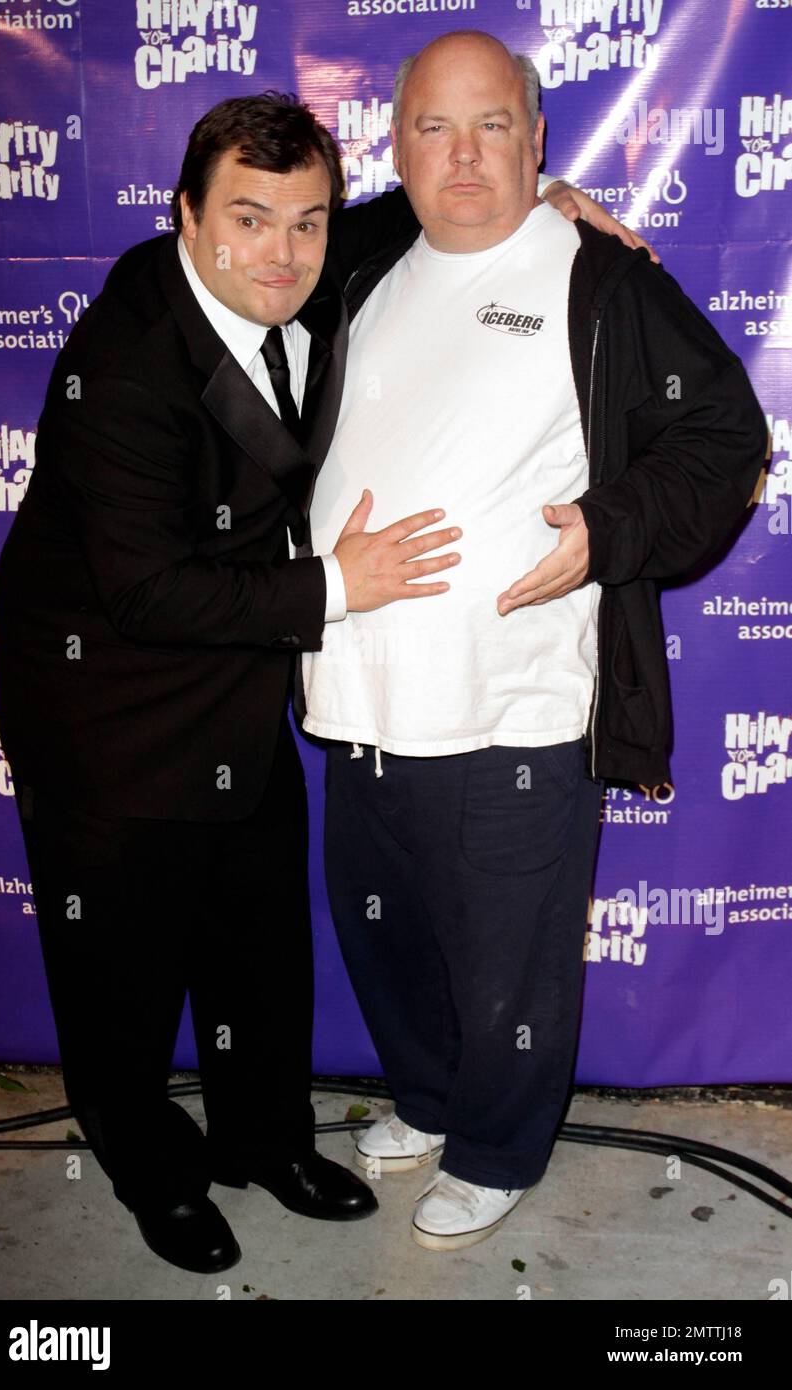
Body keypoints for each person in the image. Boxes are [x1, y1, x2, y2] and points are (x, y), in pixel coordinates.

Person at [0, 86, 653, 1275]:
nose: (283, 253)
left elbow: (430, 200)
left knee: (258, 949)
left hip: (243, 696)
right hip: (111, 717)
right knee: (122, 978)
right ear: (185, 217)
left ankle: (266, 1140)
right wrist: (342, 586)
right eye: (249, 220)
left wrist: (544, 195)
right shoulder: (128, 359)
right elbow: (146, 595)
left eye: (306, 222)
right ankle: (151, 1167)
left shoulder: (308, 252)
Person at [300, 30, 767, 1252]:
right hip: (354, 695)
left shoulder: (597, 277)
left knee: (507, 963)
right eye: (433, 128)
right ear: (392, 145)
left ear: (537, 138)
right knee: (384, 935)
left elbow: (721, 439)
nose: (462, 157)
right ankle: (427, 1098)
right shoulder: (352, 261)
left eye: (492, 126)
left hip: (512, 704)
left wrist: (609, 529)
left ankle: (497, 1145)